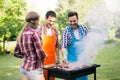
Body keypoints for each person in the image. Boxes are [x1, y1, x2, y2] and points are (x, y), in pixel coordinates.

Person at [14, 11, 46, 80]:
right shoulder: (35, 33)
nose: (38, 23)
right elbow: (41, 54)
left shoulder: (21, 34)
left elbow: (16, 53)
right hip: (34, 70)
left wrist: (27, 56)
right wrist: (45, 56)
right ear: (35, 22)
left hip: (24, 68)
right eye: (38, 21)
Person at [61, 11, 88, 80]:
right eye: (70, 21)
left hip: (83, 61)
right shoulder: (66, 31)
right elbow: (63, 46)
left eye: (74, 21)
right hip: (72, 62)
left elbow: (88, 42)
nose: (72, 23)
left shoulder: (84, 28)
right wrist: (64, 56)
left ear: (78, 19)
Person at [40, 10, 59, 80]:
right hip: (41, 62)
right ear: (45, 18)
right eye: (50, 21)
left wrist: (58, 58)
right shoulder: (39, 29)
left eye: (53, 21)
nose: (52, 23)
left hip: (52, 62)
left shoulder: (55, 31)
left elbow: (56, 45)